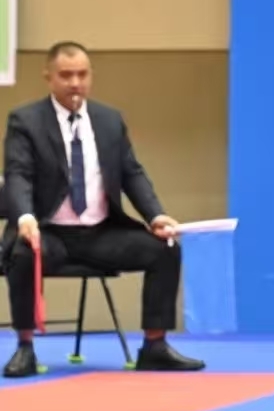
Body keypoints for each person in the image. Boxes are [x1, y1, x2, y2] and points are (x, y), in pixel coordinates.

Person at [2, 41, 205, 377]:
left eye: (82, 74)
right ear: (48, 76)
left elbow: (131, 173)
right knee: (23, 253)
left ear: (90, 75)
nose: (75, 83)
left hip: (101, 233)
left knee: (165, 249)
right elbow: (17, 174)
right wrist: (24, 217)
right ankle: (25, 348)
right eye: (66, 75)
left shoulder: (109, 120)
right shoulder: (25, 121)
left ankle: (155, 346)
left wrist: (155, 216)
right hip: (48, 232)